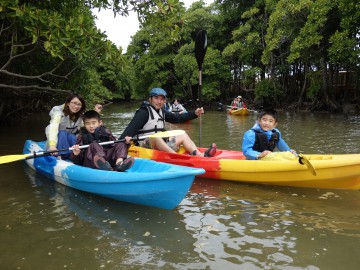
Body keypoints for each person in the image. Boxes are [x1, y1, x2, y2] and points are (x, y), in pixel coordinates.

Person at [120, 87, 216, 157]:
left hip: (162, 144)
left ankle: (199, 155)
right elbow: (127, 132)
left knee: (182, 134)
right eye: (156, 98)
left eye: (162, 99)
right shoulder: (143, 113)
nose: (159, 101)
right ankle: (177, 158)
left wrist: (194, 114)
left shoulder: (162, 112)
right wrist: (125, 141)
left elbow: (178, 118)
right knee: (156, 137)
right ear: (150, 99)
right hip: (145, 146)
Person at [45, 93, 102, 159]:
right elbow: (53, 128)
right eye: (74, 103)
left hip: (69, 142)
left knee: (72, 136)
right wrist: (52, 145)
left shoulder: (80, 115)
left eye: (79, 104)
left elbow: (88, 124)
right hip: (56, 143)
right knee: (62, 133)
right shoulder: (58, 112)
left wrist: (96, 112)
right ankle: (61, 156)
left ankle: (75, 155)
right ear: (68, 103)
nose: (76, 106)